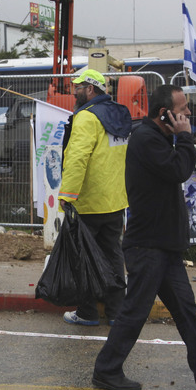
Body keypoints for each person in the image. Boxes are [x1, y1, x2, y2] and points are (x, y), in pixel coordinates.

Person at [92, 84, 196, 390]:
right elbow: (179, 170)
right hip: (148, 246)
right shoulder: (148, 140)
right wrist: (186, 138)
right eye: (183, 109)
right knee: (135, 311)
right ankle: (106, 370)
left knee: (186, 310)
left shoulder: (159, 138)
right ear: (165, 113)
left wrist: (181, 138)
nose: (188, 114)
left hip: (164, 245)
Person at [58, 69, 131, 327]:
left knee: (83, 257)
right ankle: (117, 312)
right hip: (115, 200)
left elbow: (77, 158)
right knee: (113, 256)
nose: (73, 91)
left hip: (88, 201)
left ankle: (87, 312)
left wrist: (67, 194)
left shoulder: (87, 117)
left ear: (90, 89)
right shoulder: (119, 114)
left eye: (77, 86)